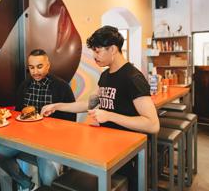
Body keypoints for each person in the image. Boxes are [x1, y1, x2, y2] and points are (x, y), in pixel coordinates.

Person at [41, 26, 160, 191]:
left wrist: (109, 116)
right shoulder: (105, 76)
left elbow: (153, 124)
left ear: (112, 49)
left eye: (97, 51)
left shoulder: (133, 78)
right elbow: (89, 104)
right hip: (106, 147)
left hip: (128, 154)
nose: (95, 57)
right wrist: (57, 106)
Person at [0, 49, 76, 190]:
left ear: (48, 65)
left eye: (39, 66)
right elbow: (18, 114)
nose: (35, 71)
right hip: (25, 139)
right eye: (31, 67)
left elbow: (71, 122)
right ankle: (27, 184)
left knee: (48, 180)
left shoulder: (61, 87)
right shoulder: (25, 86)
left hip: (50, 142)